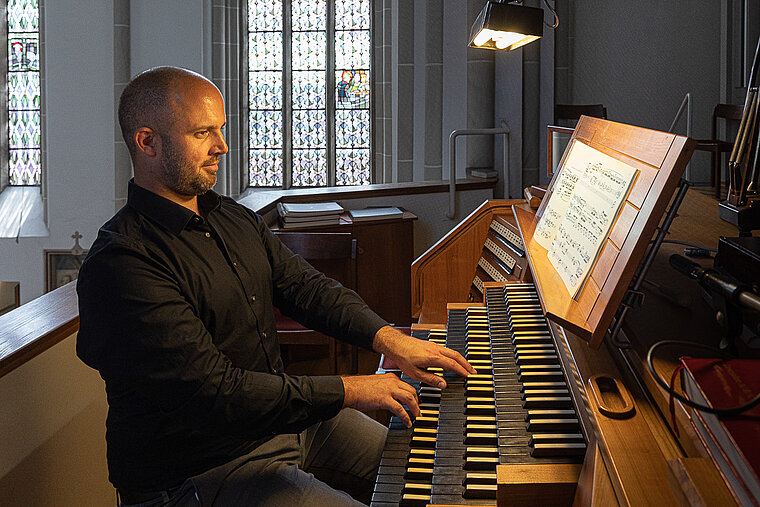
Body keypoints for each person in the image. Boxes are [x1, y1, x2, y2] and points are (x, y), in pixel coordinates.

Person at [76, 66, 474, 506]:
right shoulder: (123, 263)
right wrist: (350, 389)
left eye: (221, 130)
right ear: (147, 141)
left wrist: (389, 339)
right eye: (203, 133)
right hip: (204, 469)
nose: (222, 147)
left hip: (284, 426)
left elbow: (306, 288)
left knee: (440, 473)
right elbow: (216, 392)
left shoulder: (230, 217)